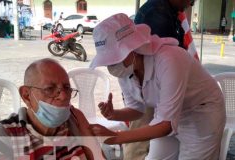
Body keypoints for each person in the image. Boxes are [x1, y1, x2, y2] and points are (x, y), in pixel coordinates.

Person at [89, 13, 226, 160]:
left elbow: (165, 125)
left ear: (133, 48)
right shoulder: (126, 70)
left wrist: (116, 137)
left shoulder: (169, 59)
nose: (112, 65)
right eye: (109, 61)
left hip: (201, 113)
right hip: (166, 115)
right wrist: (115, 114)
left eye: (115, 58)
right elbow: (137, 110)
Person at [0, 58, 103, 159]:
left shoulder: (75, 119)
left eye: (66, 87)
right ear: (26, 95)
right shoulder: (2, 137)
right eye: (50, 89)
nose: (64, 96)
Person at [128, 0, 198, 159]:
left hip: (158, 88)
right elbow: (170, 59)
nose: (192, 3)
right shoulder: (157, 12)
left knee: (146, 141)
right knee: (139, 142)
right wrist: (116, 135)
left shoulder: (167, 11)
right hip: (153, 86)